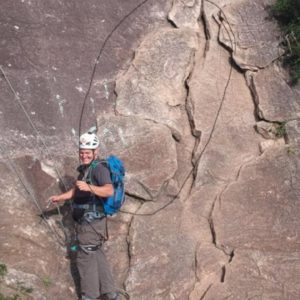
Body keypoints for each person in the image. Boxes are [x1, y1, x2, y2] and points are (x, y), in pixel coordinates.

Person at [49, 127, 120, 300]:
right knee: (96, 253)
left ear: (96, 151)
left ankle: (90, 296)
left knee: (84, 258)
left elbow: (109, 190)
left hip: (91, 223)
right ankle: (110, 293)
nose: (84, 155)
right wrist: (60, 197)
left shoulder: (99, 169)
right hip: (89, 223)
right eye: (82, 152)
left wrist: (90, 187)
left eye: (88, 152)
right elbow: (76, 191)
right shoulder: (85, 169)